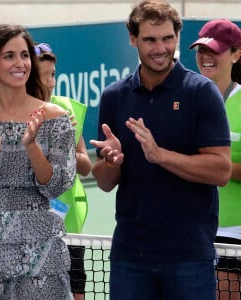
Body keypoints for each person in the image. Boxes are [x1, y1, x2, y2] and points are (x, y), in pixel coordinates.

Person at [89, 1, 232, 299]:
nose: (160, 48)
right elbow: (103, 182)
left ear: (177, 37)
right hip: (130, 255)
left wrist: (160, 155)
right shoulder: (114, 96)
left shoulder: (201, 93)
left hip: (189, 255)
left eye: (168, 38)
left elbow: (220, 170)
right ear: (132, 39)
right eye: (150, 40)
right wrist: (112, 162)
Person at [0, 24, 76, 300]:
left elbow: (55, 187)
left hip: (41, 251)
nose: (20, 64)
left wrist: (31, 145)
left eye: (24, 55)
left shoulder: (55, 118)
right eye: (9, 56)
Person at [35, 42, 92, 300]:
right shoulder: (14, 113)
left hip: (67, 223)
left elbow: (86, 165)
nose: (50, 82)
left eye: (53, 74)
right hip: (29, 226)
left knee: (76, 290)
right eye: (43, 76)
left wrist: (66, 141)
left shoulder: (67, 109)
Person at [189, 19, 241, 300]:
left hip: (233, 231)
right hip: (187, 230)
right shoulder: (182, 101)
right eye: (201, 50)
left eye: (215, 50)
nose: (206, 57)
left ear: (236, 54)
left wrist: (210, 164)